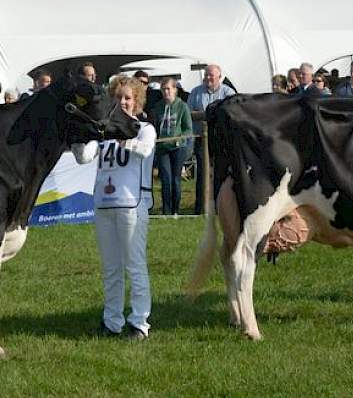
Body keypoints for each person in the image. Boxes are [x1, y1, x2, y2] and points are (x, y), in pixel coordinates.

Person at [71, 76, 156, 340]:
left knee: (134, 265)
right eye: (118, 98)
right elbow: (84, 157)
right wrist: (75, 138)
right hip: (104, 205)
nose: (123, 102)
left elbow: (145, 150)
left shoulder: (144, 128)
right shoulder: (104, 131)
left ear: (137, 102)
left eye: (128, 98)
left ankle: (140, 323)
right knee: (111, 268)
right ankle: (112, 321)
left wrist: (125, 140)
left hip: (132, 205)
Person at [187, 64, 236, 216]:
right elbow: (188, 114)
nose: (208, 78)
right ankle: (201, 207)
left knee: (222, 174)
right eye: (206, 75)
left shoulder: (228, 93)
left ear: (219, 77)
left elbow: (233, 114)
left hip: (223, 142)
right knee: (202, 174)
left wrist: (207, 115)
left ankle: (222, 206)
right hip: (202, 139)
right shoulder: (195, 92)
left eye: (211, 75)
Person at [149, 78, 193, 217]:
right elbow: (154, 126)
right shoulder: (158, 107)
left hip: (177, 148)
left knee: (175, 178)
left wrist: (180, 139)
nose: (166, 92)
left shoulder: (182, 106)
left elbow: (188, 129)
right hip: (162, 147)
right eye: (163, 89)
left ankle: (176, 210)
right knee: (166, 179)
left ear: (175, 89)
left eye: (168, 88)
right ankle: (166, 211)